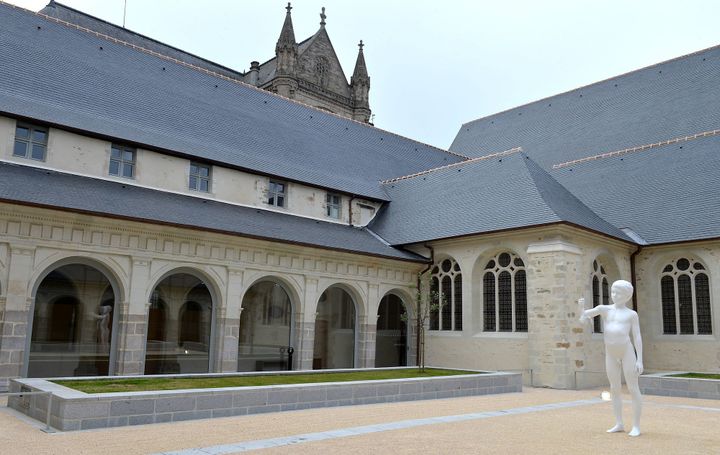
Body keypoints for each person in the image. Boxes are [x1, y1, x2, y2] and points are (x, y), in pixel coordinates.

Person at [579, 279, 643, 437]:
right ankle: (619, 423)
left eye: (619, 293)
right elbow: (585, 317)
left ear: (627, 296)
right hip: (611, 353)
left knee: (633, 388)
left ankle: (636, 426)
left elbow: (637, 337)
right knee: (614, 389)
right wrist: (581, 308)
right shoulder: (605, 309)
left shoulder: (631, 315)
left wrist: (640, 359)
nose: (614, 295)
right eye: (613, 292)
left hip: (627, 352)